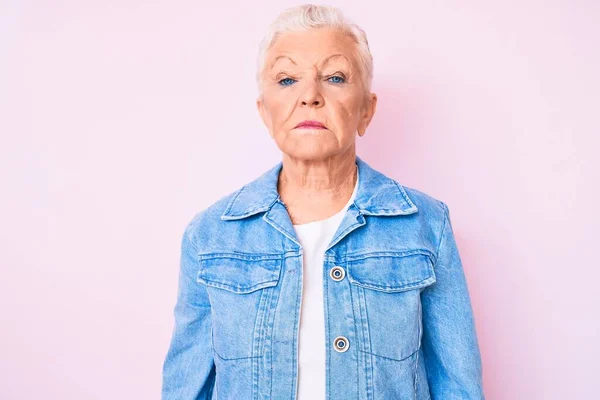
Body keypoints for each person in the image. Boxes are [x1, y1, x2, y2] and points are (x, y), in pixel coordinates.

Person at [161, 4, 484, 399]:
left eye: (334, 77)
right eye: (286, 79)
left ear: (366, 110)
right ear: (265, 112)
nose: (310, 96)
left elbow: (458, 387)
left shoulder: (426, 225)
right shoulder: (209, 236)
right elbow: (185, 389)